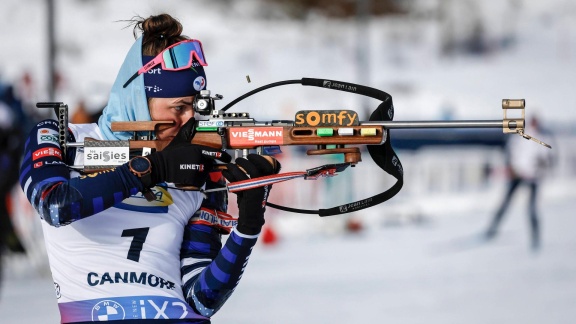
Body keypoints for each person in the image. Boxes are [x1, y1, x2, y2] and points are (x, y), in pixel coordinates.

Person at [19, 13, 280, 323]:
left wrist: (248, 226)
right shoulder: (65, 139)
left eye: (194, 107)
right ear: (140, 98)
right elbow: (55, 205)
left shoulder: (197, 171)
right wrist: (150, 169)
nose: (188, 120)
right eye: (179, 108)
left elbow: (202, 299)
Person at [484, 116, 553, 250]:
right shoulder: (519, 137)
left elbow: (546, 157)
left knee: (532, 208)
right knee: (505, 203)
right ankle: (492, 229)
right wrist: (514, 168)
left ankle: (535, 237)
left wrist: (539, 169)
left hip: (533, 176)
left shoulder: (542, 137)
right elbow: (511, 152)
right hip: (518, 175)